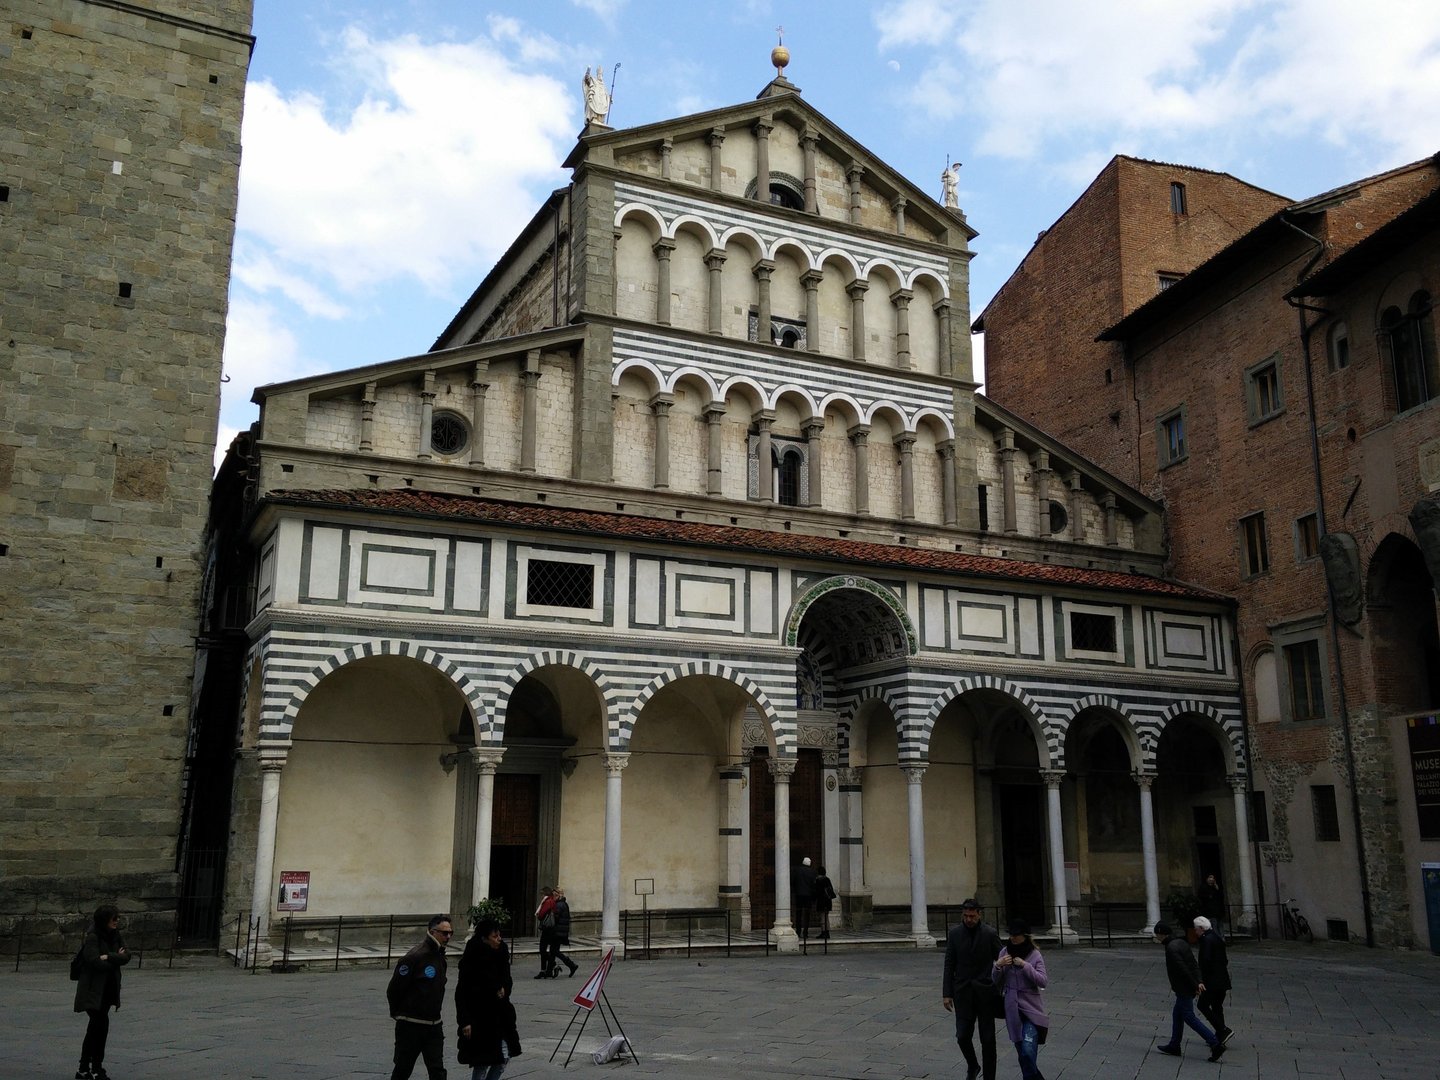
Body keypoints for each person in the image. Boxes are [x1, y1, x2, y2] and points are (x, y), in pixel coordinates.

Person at [387, 914, 453, 1080]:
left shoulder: (440, 956)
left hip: (434, 1025)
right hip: (411, 1025)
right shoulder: (415, 956)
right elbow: (394, 989)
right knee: (403, 1068)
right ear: (432, 931)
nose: (448, 937)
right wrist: (399, 1014)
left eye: (450, 933)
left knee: (438, 1071)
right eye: (445, 933)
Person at [942, 898, 1002, 1080]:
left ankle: (989, 1077)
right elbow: (949, 964)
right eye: (966, 915)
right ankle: (973, 1065)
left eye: (972, 916)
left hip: (985, 993)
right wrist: (947, 993)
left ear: (979, 914)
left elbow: (1001, 959)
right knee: (962, 1036)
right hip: (963, 992)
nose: (969, 919)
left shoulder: (990, 934)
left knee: (988, 1039)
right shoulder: (955, 934)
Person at [455, 918, 522, 1080]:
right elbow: (461, 992)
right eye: (495, 936)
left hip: (501, 1016)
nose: (499, 939)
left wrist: (504, 988)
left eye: (499, 935)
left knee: (503, 1059)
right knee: (482, 1062)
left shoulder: (501, 954)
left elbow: (507, 978)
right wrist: (465, 1021)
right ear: (484, 938)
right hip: (480, 1018)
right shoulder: (472, 959)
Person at [1153, 921, 1224, 1062]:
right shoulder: (1181, 943)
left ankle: (1215, 1043)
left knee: (1189, 1017)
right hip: (1187, 986)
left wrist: (1195, 985)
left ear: (1161, 934)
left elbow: (1182, 969)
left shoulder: (1171, 948)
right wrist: (1199, 981)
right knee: (1177, 1015)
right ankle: (1174, 1045)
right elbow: (1193, 964)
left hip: (1183, 988)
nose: (1156, 937)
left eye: (1157, 934)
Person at [73, 903, 130, 1080]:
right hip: (92, 991)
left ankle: (84, 1069)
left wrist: (109, 956)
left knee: (94, 1029)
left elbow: (126, 955)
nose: (117, 921)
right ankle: (96, 1068)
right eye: (114, 918)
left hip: (108, 990)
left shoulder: (115, 935)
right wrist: (115, 958)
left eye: (117, 918)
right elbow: (94, 961)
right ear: (105, 920)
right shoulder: (93, 937)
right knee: (99, 1028)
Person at [993, 919, 1050, 1080]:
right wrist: (998, 965)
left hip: (1031, 1008)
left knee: (1027, 1051)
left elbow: (1042, 980)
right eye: (1011, 934)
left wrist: (1026, 966)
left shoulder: (1034, 954)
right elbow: (995, 980)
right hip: (1012, 1009)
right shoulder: (1004, 952)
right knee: (1022, 1054)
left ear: (1024, 936)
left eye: (1016, 935)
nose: (1013, 938)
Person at [1193, 915, 1233, 1046]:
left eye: (1196, 929)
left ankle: (1222, 1030)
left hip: (1212, 981)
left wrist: (1201, 980)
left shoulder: (1206, 940)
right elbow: (1224, 960)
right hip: (1222, 979)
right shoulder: (1217, 938)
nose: (1195, 932)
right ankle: (1220, 1034)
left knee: (1202, 1005)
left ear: (1201, 929)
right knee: (1217, 1006)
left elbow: (1205, 961)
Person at [546, 887, 579, 977]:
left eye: (553, 896)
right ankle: (549, 971)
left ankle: (572, 965)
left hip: (558, 932)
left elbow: (555, 917)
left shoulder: (559, 905)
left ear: (557, 895)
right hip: (560, 931)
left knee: (554, 951)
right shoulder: (563, 904)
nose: (552, 898)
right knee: (553, 951)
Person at [791, 857, 817, 941]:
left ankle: (798, 931)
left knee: (798, 913)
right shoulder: (813, 872)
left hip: (799, 895)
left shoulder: (797, 870)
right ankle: (805, 932)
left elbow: (793, 881)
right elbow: (814, 885)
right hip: (808, 896)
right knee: (807, 914)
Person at [533, 887, 556, 979]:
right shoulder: (552, 901)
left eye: (542, 894)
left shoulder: (547, 901)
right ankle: (545, 969)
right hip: (551, 929)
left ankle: (550, 965)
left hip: (547, 929)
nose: (541, 896)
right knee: (545, 949)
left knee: (542, 949)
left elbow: (541, 914)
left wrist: (539, 915)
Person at [813, 865, 837, 940]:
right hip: (828, 901)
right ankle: (827, 932)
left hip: (822, 901)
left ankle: (823, 932)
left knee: (823, 917)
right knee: (826, 917)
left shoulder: (818, 880)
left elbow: (817, 892)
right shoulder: (827, 879)